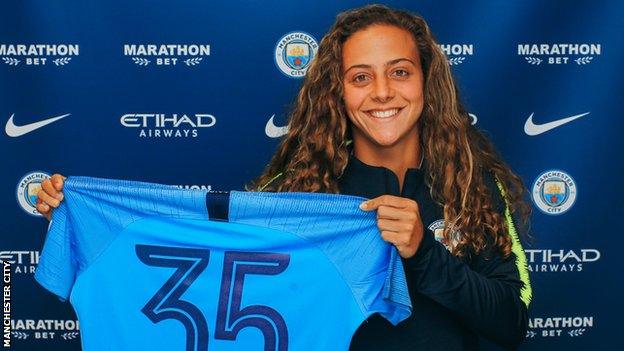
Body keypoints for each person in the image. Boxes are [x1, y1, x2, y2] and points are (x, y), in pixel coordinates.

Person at [38, 4, 532, 351]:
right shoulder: (300, 192)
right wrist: (80, 210)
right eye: (361, 77)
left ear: (426, 79)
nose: (382, 92)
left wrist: (424, 252)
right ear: (337, 91)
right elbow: (206, 261)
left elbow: (511, 323)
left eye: (399, 71)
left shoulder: (473, 184)